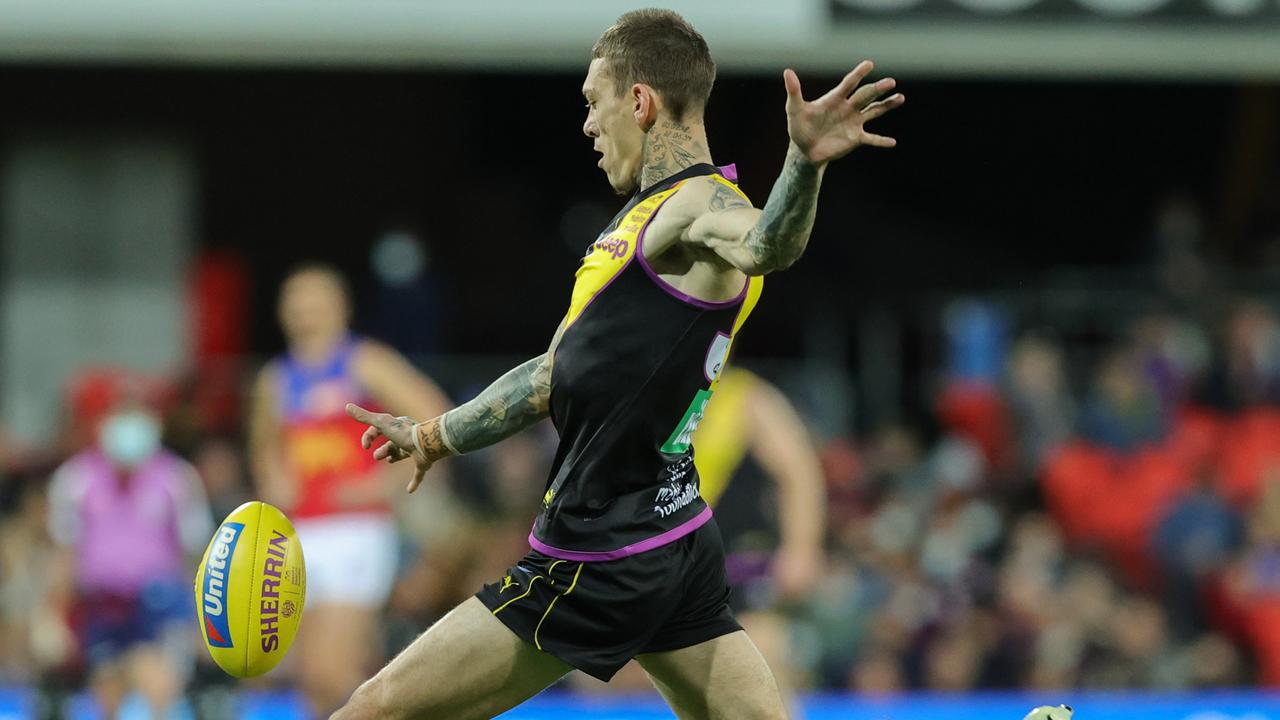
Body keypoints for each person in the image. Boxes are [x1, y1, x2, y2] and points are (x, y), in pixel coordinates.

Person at [335, 8, 903, 719]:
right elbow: (553, 373)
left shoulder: (701, 205)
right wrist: (433, 436)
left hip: (601, 552)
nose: (587, 124)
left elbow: (766, 246)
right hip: (675, 536)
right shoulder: (636, 220)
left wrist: (803, 165)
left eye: (591, 102)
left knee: (373, 711)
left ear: (639, 100)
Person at [247, 263, 452, 715]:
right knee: (309, 678)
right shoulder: (276, 379)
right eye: (296, 300)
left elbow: (436, 418)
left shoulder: (365, 361)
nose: (305, 310)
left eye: (316, 298)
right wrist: (275, 483)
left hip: (355, 531)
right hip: (300, 534)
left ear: (341, 306)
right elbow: (264, 447)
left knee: (332, 673)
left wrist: (384, 482)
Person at [47, 381, 211, 719]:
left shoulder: (177, 478)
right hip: (102, 603)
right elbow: (65, 551)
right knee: (106, 694)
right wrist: (54, 614)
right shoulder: (76, 478)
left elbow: (195, 553)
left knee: (157, 685)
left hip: (158, 601)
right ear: (102, 423)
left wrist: (201, 622)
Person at [691, 366, 827, 698]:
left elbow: (799, 472)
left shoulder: (746, 398)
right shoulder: (649, 392)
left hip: (737, 561)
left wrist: (802, 548)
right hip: (669, 564)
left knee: (762, 656)